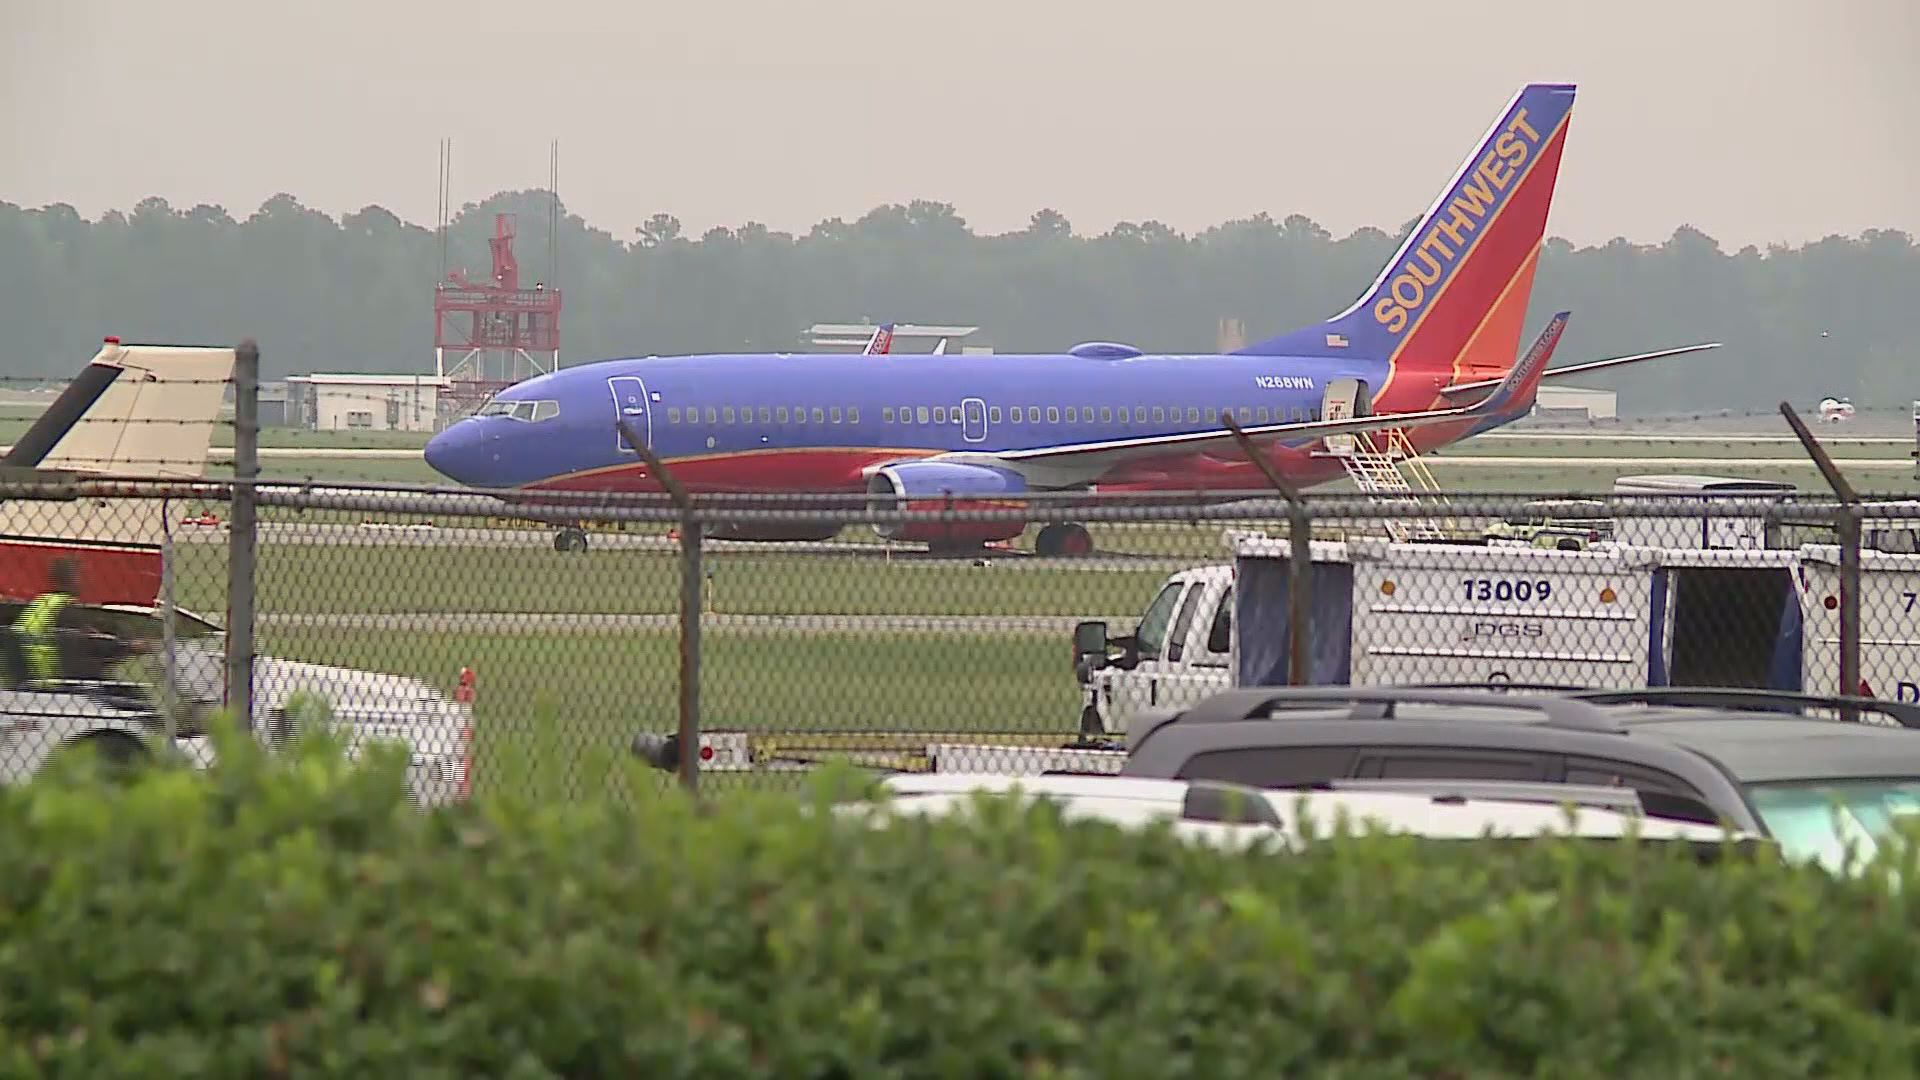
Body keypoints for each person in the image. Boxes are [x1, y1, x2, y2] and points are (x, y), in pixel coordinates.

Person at [13, 559, 82, 687]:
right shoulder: (66, 605)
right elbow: (79, 643)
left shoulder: (42, 601)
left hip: (26, 673)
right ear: (74, 579)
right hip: (50, 678)